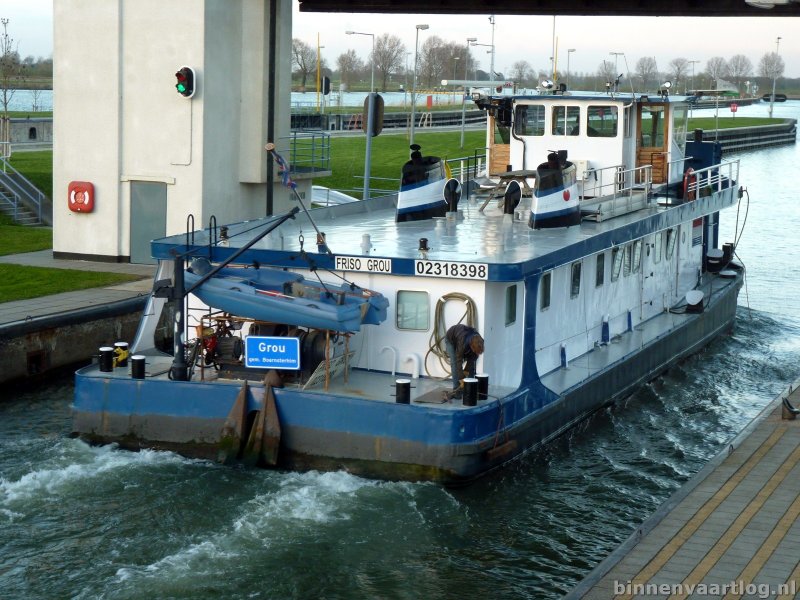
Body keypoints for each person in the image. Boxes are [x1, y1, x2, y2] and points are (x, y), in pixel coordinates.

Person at [444, 324, 484, 399]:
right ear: (471, 347)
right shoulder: (462, 343)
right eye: (475, 351)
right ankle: (457, 391)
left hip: (461, 339)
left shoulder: (480, 341)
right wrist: (461, 378)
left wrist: (466, 370)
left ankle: (470, 389)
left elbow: (473, 357)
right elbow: (458, 361)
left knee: (471, 366)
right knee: (454, 364)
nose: (476, 354)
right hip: (450, 340)